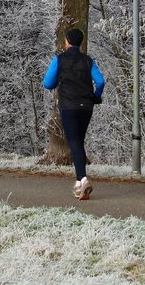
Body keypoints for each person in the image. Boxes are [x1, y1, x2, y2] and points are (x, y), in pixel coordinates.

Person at [42, 27, 106, 200]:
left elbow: (47, 83)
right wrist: (95, 96)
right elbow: (100, 81)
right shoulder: (88, 60)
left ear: (68, 41)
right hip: (86, 106)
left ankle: (84, 179)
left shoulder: (59, 59)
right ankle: (79, 184)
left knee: (75, 143)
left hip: (68, 105)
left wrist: (58, 80)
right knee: (78, 142)